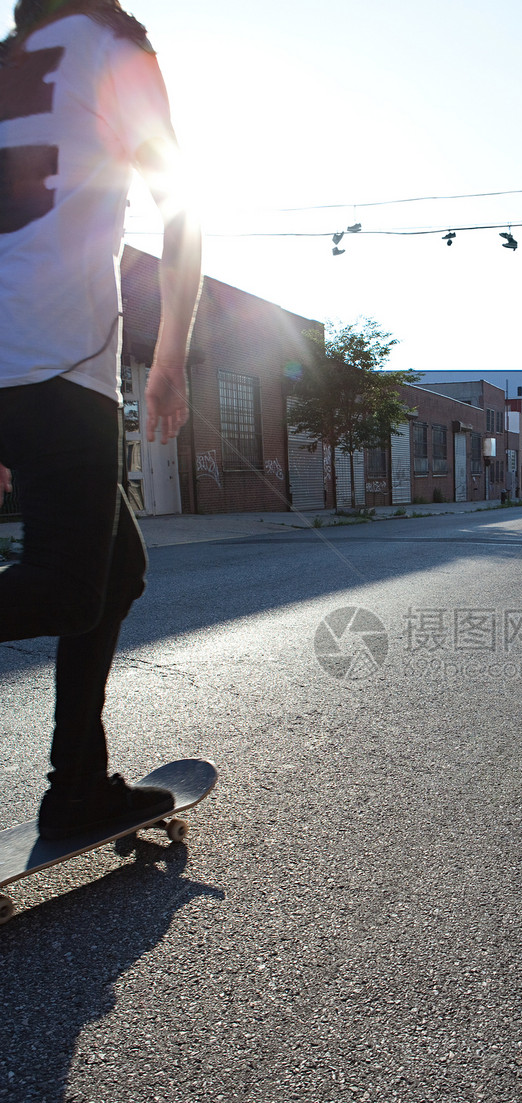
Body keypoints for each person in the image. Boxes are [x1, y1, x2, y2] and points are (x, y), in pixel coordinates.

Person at [0, 0, 201, 838]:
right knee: (72, 590)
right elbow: (181, 209)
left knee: (118, 573)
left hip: (21, 366)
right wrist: (167, 364)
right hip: (60, 365)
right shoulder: (114, 44)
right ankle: (75, 782)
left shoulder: (8, 63)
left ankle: (76, 783)